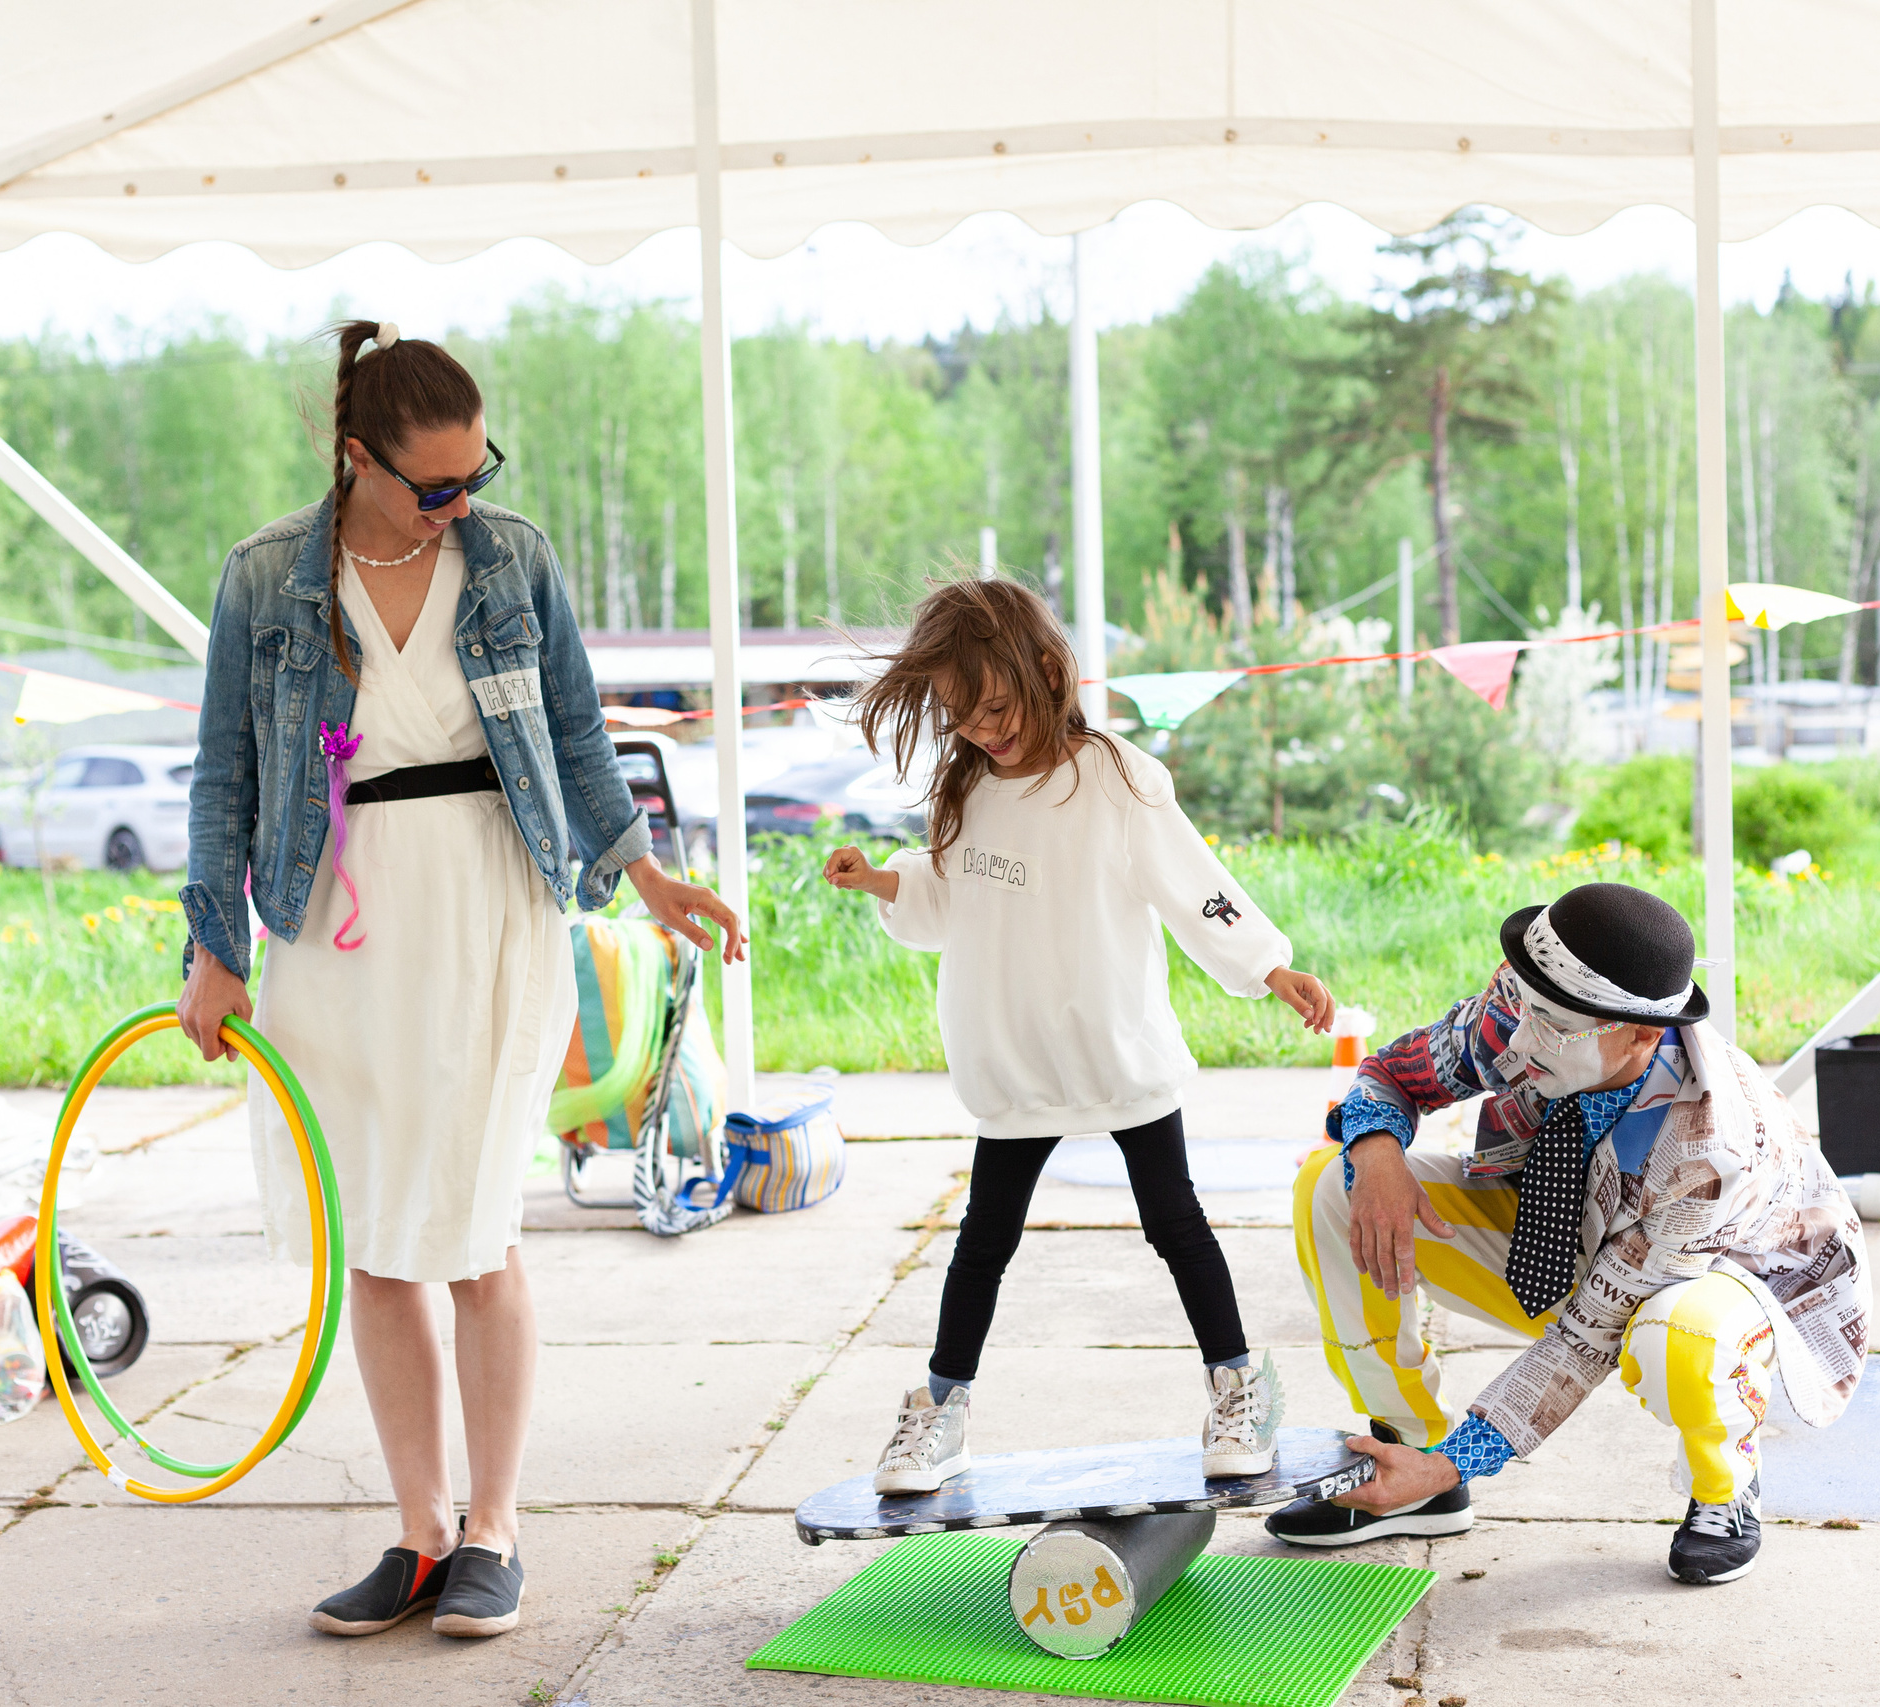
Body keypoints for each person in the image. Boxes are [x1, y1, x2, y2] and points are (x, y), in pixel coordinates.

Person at [176, 320, 744, 1639]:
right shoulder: (266, 576)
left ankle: (495, 1527)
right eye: (434, 483)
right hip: (333, 917)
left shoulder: (512, 559)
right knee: (375, 1232)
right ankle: (419, 1530)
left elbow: (580, 733)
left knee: (479, 1228)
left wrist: (644, 872)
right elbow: (223, 774)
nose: (461, 500)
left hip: (491, 896)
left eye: (475, 470)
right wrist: (214, 946)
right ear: (356, 454)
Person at [821, 577, 1337, 1493]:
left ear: (1047, 670)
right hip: (1014, 1058)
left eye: (997, 706)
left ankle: (1240, 1383)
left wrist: (1270, 965)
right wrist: (881, 882)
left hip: (1114, 1048)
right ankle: (941, 1408)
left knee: (1174, 1221)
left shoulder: (1117, 778)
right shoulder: (968, 790)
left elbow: (1197, 885)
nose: (984, 729)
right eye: (962, 715)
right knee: (984, 1238)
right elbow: (945, 901)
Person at [1268, 882, 1868, 1585]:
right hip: (1561, 1224)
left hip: (1714, 1277)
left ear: (1642, 1034)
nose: (1520, 1039)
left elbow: (1587, 1339)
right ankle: (1410, 1458)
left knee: (1680, 1339)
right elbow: (1395, 1073)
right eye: (1523, 1007)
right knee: (1330, 1187)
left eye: (1552, 1024)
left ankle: (1724, 1483)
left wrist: (1466, 1453)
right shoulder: (1533, 1004)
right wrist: (1372, 1149)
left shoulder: (1709, 1147)